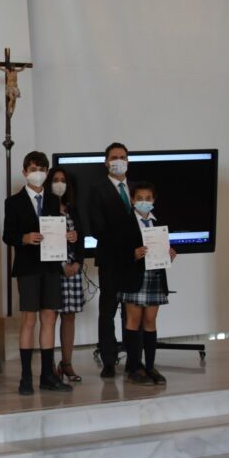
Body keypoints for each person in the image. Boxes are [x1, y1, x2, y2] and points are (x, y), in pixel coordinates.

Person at [3, 151, 73, 395]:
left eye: (42, 168)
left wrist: (68, 237)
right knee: (29, 320)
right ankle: (25, 377)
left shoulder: (55, 200)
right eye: (33, 168)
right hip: (28, 267)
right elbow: (7, 236)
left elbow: (58, 231)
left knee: (50, 319)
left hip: (51, 266)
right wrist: (24, 237)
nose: (38, 172)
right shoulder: (13, 201)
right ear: (24, 172)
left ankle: (47, 375)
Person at [116, 182, 176, 385]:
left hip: (155, 275)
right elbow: (115, 251)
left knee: (150, 321)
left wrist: (170, 254)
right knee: (133, 321)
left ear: (154, 200)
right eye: (139, 198)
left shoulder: (159, 222)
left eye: (148, 198)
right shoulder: (124, 222)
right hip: (133, 276)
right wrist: (132, 254)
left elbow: (166, 247)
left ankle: (150, 367)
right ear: (132, 200)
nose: (144, 202)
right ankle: (134, 367)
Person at [89, 142, 138, 378]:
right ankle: (109, 360)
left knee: (131, 311)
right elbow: (97, 228)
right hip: (110, 259)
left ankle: (133, 360)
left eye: (122, 157)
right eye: (114, 157)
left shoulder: (137, 189)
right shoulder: (97, 189)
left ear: (128, 161)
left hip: (135, 261)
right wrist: (125, 245)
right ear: (106, 162)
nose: (118, 160)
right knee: (107, 311)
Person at [45, 166, 86, 382]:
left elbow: (81, 237)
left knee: (69, 317)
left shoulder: (73, 209)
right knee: (50, 318)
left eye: (63, 180)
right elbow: (46, 241)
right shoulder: (44, 208)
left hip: (73, 269)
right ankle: (49, 364)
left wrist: (78, 262)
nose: (59, 183)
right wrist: (61, 264)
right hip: (54, 270)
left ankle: (67, 362)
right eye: (55, 180)